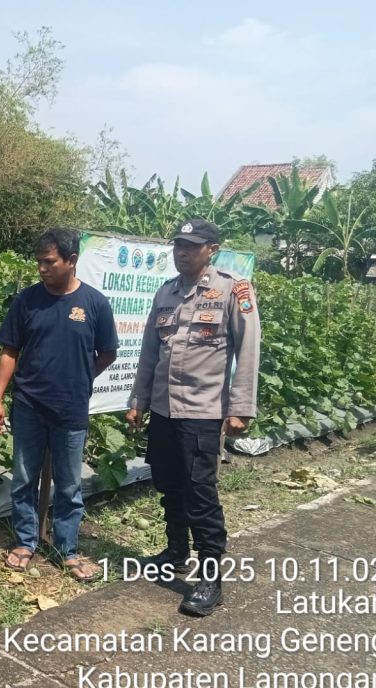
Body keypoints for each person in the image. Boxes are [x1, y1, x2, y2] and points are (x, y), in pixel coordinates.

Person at [125, 217, 260, 617]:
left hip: (202, 412)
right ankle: (175, 551)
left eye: (192, 246)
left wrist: (241, 406)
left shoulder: (232, 290)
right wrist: (139, 400)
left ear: (211, 249)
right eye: (178, 245)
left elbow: (247, 349)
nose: (182, 252)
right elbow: (151, 352)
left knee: (200, 493)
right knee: (168, 483)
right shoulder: (166, 293)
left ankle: (209, 576)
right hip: (165, 411)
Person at [0, 228, 118, 580]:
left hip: (71, 408)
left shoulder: (94, 303)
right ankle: (25, 542)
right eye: (39, 262)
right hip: (29, 404)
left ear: (71, 260)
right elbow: (9, 352)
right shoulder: (26, 302)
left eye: (49, 262)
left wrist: (81, 377)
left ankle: (67, 548)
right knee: (23, 478)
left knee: (69, 484)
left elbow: (107, 351)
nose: (42, 269)